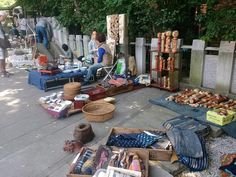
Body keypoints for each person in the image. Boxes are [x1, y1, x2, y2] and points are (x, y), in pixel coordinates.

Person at [0, 11, 10, 77]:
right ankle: (2, 71)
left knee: (3, 56)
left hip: (2, 41)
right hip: (0, 41)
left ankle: (4, 70)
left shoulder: (0, 23)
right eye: (4, 17)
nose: (5, 19)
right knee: (1, 57)